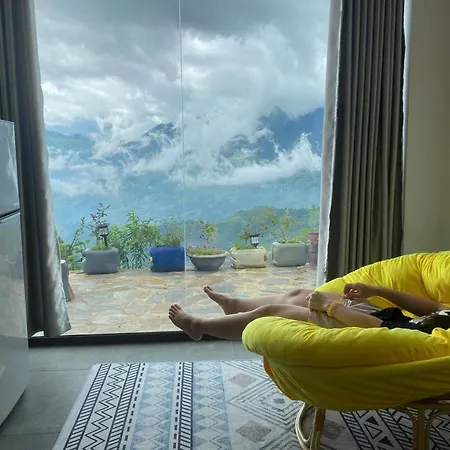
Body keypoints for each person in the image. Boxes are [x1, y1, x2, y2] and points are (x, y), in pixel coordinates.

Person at [168, 283, 450, 341]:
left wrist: (329, 307)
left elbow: (378, 332)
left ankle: (199, 326)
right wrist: (374, 290)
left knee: (271, 312)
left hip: (368, 330)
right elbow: (434, 308)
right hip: (383, 316)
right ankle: (235, 306)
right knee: (299, 294)